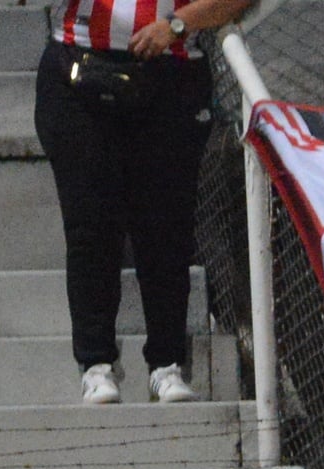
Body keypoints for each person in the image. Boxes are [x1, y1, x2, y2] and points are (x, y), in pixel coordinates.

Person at [35, 0, 250, 407]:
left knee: (165, 229)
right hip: (78, 76)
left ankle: (167, 365)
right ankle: (95, 365)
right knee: (90, 225)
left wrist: (178, 25)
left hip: (171, 77)